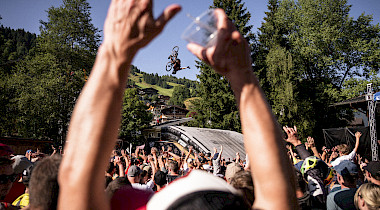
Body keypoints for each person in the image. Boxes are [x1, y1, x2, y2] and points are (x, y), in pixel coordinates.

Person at [57, 1, 298, 209]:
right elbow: (280, 188)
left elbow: (75, 179)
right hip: (184, 65)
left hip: (171, 64)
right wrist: (244, 76)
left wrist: (114, 52)